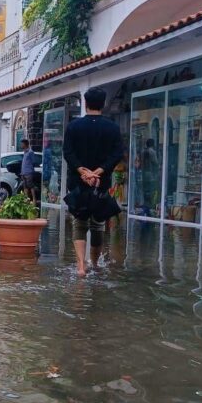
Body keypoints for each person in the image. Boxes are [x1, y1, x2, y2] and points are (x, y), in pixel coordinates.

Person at [63, 87, 123, 277]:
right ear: (103, 105)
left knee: (79, 222)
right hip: (101, 182)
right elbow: (117, 153)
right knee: (97, 223)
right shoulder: (112, 128)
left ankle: (81, 266)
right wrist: (99, 171)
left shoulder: (73, 127)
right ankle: (95, 264)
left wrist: (82, 171)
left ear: (85, 104)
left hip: (78, 183)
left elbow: (68, 151)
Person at [141, 138, 159, 216]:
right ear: (152, 144)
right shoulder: (152, 152)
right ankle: (150, 207)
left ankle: (146, 206)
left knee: (145, 191)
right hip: (151, 174)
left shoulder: (143, 152)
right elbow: (155, 163)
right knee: (152, 191)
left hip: (144, 174)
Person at [20, 138, 36, 202]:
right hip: (24, 173)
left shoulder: (30, 152)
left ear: (25, 144)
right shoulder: (25, 152)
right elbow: (24, 163)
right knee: (25, 187)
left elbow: (33, 162)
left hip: (29, 172)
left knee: (31, 186)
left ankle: (34, 199)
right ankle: (27, 200)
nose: (21, 145)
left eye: (22, 144)